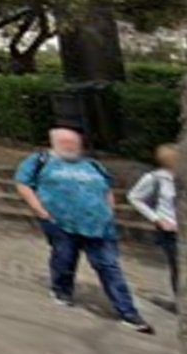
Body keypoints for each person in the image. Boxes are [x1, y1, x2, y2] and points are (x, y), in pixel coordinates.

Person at [13, 126, 153, 334]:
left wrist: (108, 211)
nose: (71, 146)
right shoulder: (40, 160)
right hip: (60, 222)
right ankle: (62, 290)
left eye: (74, 143)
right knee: (65, 257)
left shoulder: (93, 165)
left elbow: (106, 189)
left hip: (99, 226)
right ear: (55, 143)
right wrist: (40, 210)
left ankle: (128, 312)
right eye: (65, 143)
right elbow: (23, 183)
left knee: (109, 266)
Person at [127, 144, 179, 298]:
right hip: (171, 230)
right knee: (179, 267)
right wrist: (157, 219)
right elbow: (134, 197)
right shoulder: (156, 178)